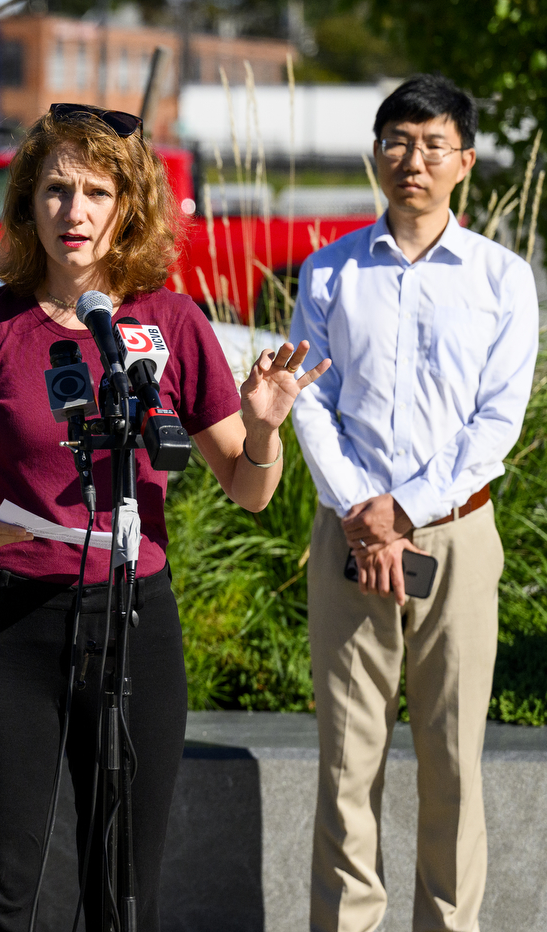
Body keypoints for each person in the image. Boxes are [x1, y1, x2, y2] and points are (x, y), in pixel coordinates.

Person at [0, 103, 330, 932]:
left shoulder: (171, 323)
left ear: (128, 207)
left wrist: (263, 426)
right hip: (8, 628)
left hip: (134, 622)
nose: (75, 212)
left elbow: (249, 490)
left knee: (121, 884)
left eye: (96, 192)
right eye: (57, 190)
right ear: (28, 203)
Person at [290, 75, 538, 932]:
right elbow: (309, 402)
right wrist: (366, 509)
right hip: (348, 539)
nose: (414, 160)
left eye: (434, 144)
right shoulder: (329, 272)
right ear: (376, 154)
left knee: (453, 763)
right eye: (398, 141)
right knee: (347, 762)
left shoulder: (503, 280)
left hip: (458, 538)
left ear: (464, 162)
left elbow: (495, 421)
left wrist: (404, 511)